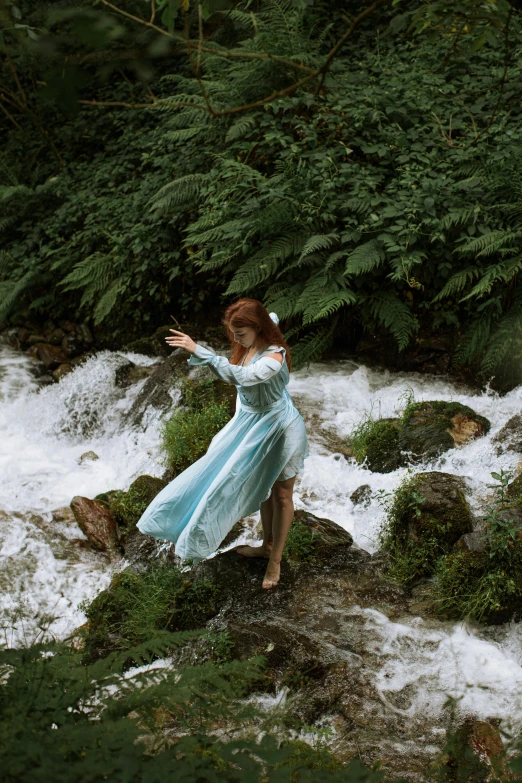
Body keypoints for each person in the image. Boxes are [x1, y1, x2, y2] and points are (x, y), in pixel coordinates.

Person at [136, 298, 309, 589]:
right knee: (261, 488)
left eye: (240, 334)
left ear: (258, 329)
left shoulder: (274, 357)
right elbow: (272, 316)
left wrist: (199, 351)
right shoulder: (258, 334)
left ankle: (275, 561)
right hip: (252, 424)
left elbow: (244, 376)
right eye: (233, 333)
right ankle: (265, 546)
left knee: (280, 495)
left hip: (279, 428)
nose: (236, 340)